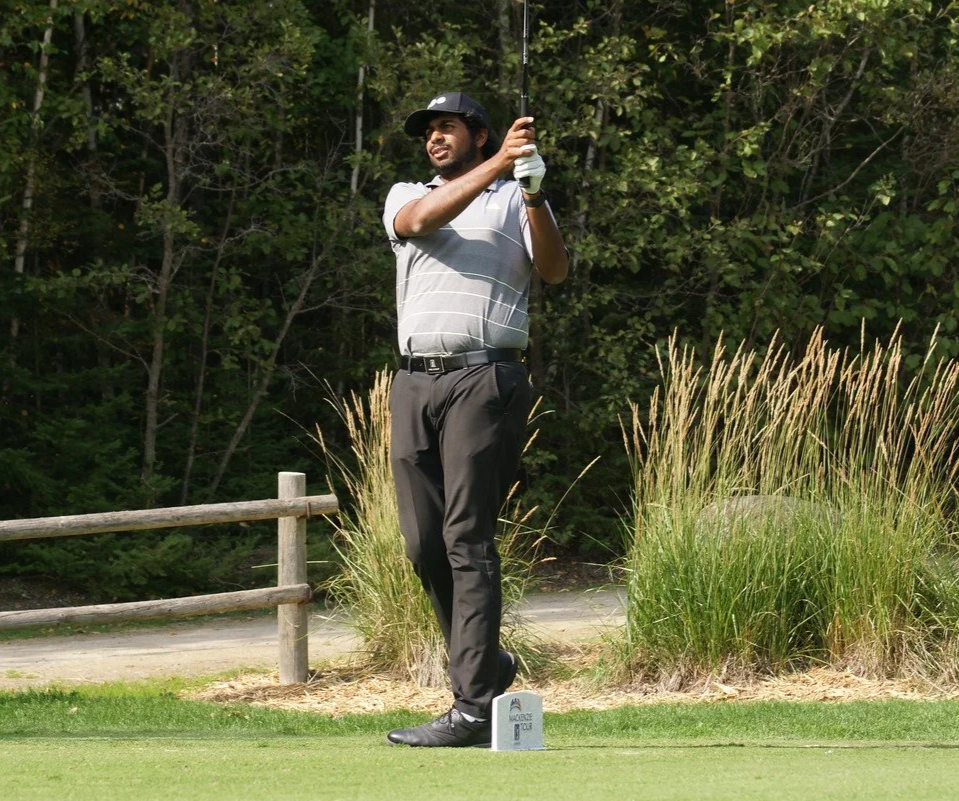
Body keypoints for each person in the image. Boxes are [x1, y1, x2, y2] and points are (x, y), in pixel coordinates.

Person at [381, 92, 568, 747]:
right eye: (429, 131)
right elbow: (418, 221)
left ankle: (473, 703)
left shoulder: (514, 198)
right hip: (412, 381)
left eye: (447, 128)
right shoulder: (407, 190)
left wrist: (534, 194)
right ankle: (484, 664)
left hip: (483, 378)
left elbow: (553, 268)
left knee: (466, 537)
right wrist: (497, 167)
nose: (435, 138)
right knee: (423, 544)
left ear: (479, 134)